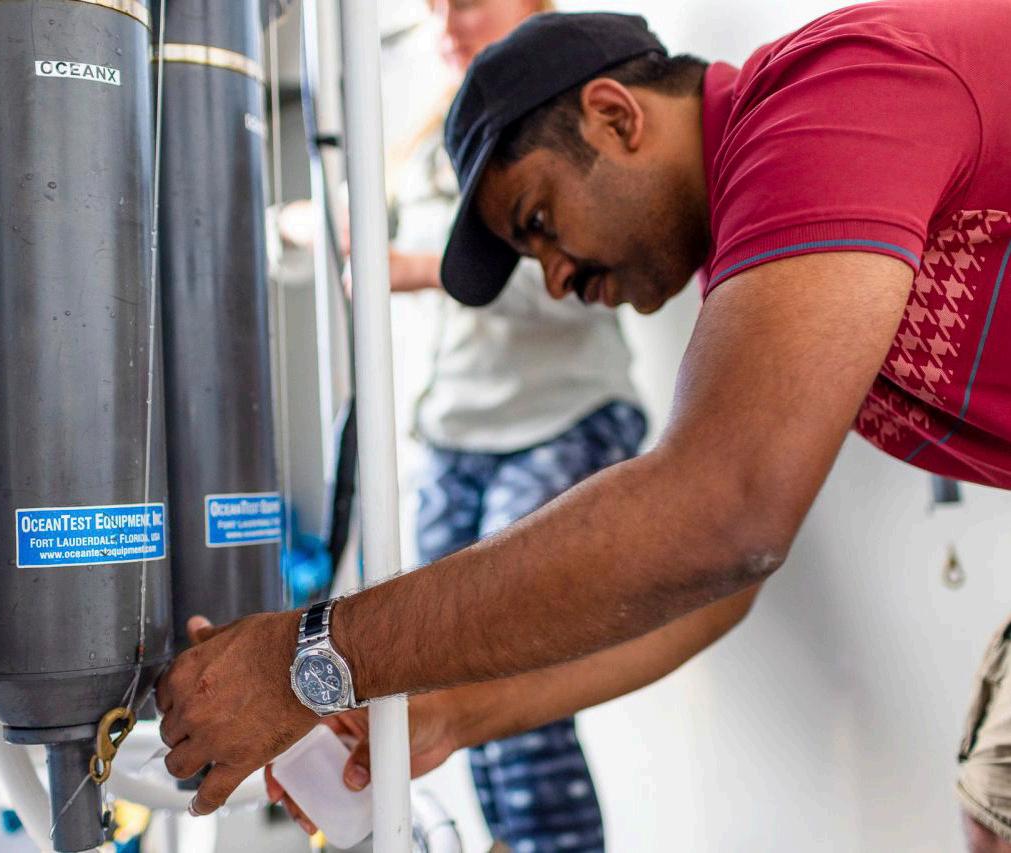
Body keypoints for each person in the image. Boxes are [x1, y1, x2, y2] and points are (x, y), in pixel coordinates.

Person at [156, 3, 1011, 849]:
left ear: (614, 117)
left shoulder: (828, 96)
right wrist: (453, 710)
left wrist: (305, 659)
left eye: (539, 222)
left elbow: (722, 514)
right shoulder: (763, 253)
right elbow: (718, 584)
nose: (557, 280)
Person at [387, 1, 646, 847]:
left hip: (561, 418)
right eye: (433, 8)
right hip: (455, 433)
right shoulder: (428, 139)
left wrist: (424, 267)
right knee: (449, 686)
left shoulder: (569, 116)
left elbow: (589, 274)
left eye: (467, 2)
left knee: (516, 672)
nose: (446, 26)